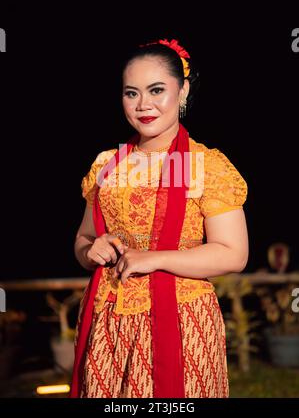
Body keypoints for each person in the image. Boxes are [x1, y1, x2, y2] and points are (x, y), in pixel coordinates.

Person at [70, 38, 248, 398]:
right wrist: (92, 250)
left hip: (180, 322)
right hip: (108, 320)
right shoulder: (108, 164)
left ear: (182, 92)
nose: (143, 104)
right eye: (131, 93)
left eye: (156, 90)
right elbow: (82, 240)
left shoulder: (204, 164)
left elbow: (233, 253)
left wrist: (155, 259)